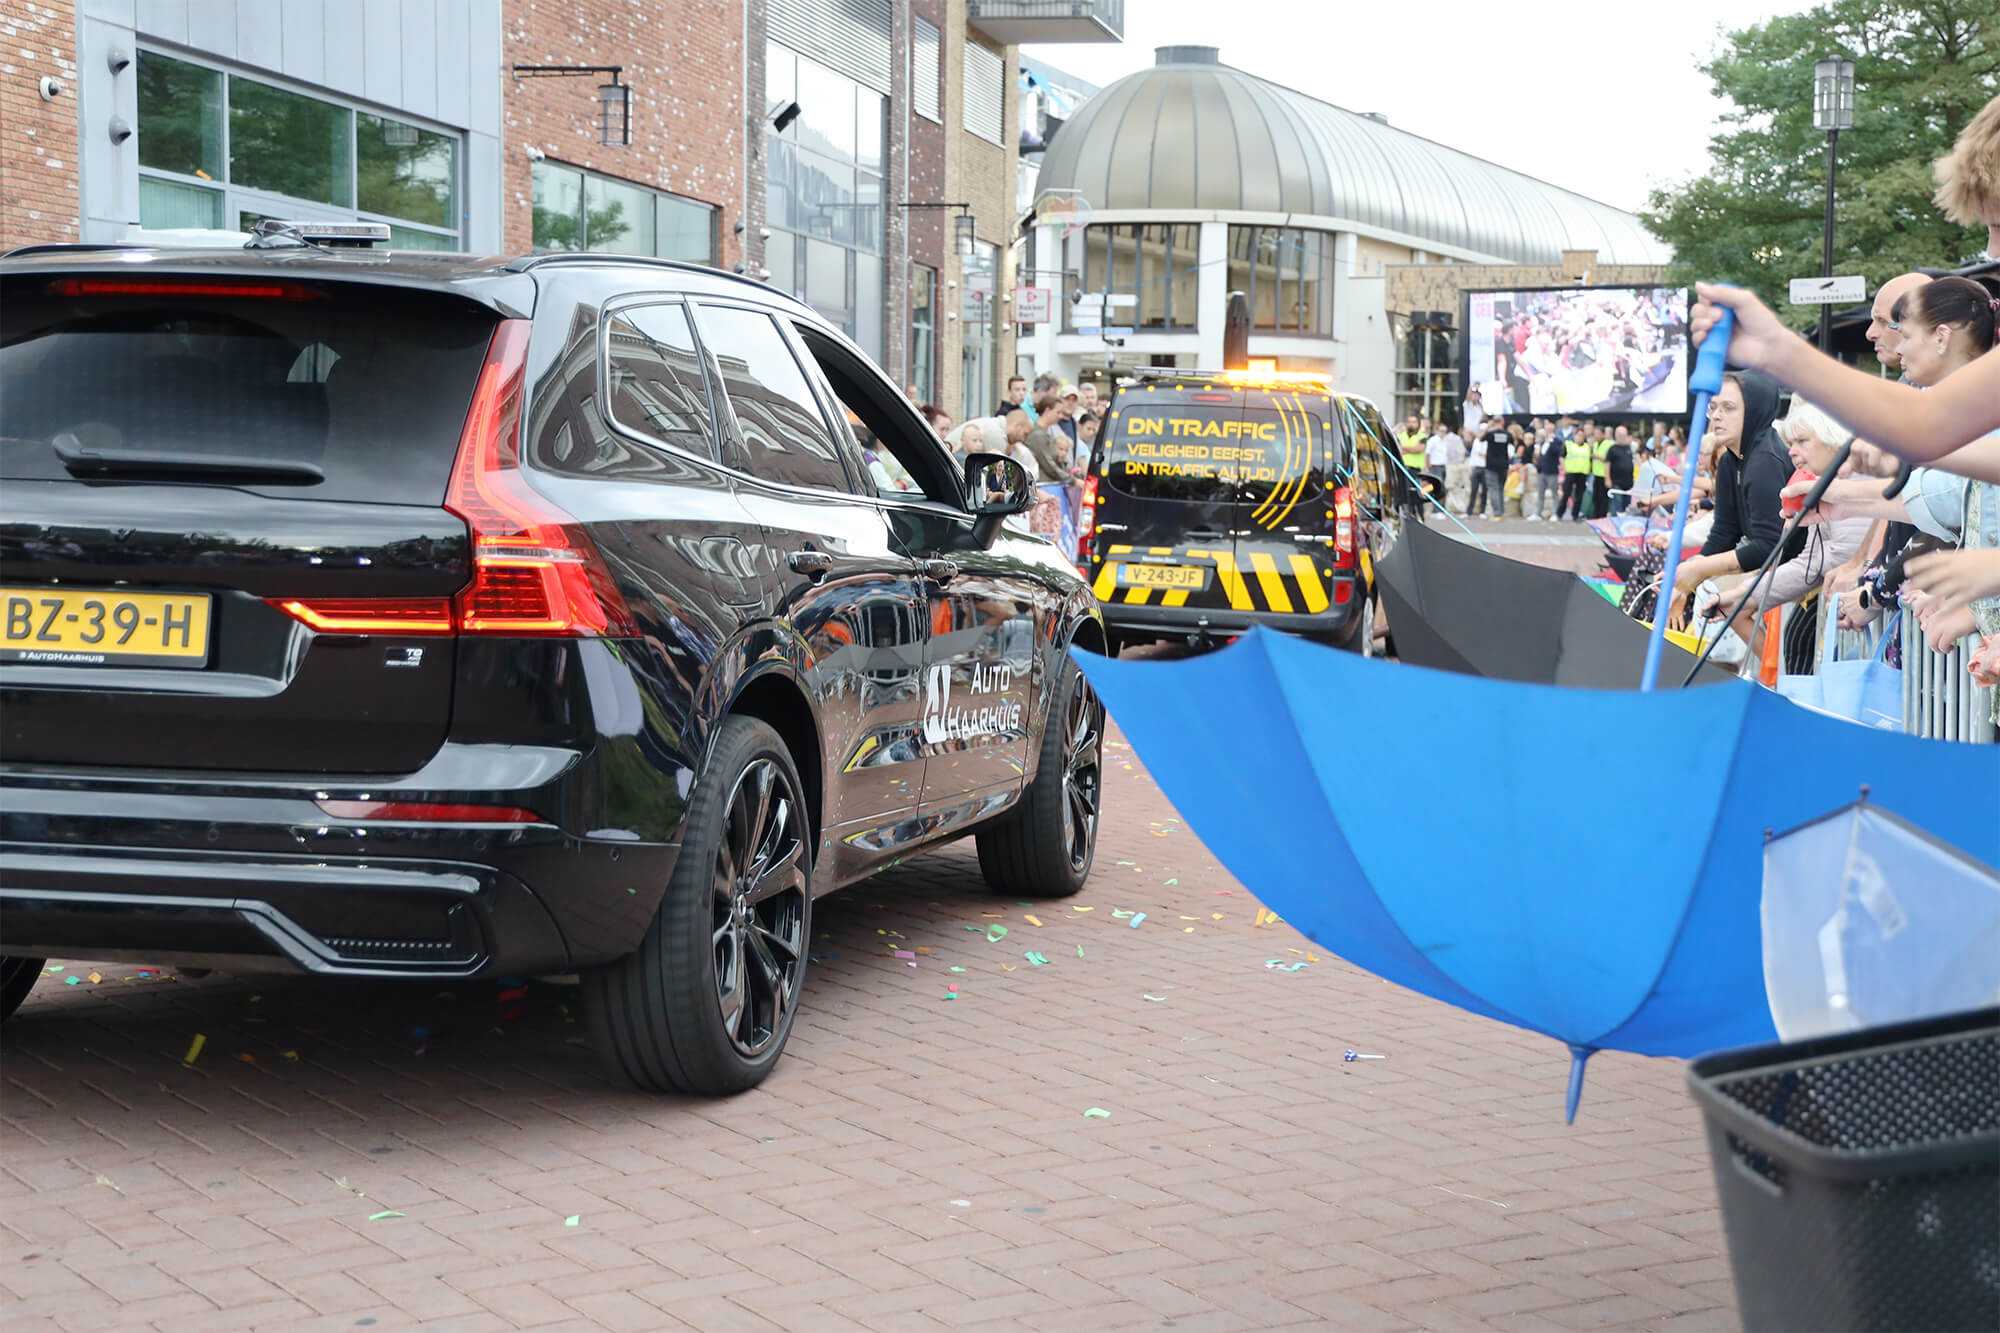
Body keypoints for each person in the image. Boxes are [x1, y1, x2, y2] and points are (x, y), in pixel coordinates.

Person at [1704, 399, 1872, 641]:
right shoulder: (1824, 483)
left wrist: (1745, 594)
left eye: (1802, 441)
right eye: (1791, 443)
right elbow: (1811, 562)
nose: (1792, 451)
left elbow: (1838, 555)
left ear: (1831, 437)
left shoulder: (1855, 480)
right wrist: (1742, 595)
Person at [1666, 371, 1790, 631]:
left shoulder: (1765, 462)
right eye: (1713, 407)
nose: (1716, 416)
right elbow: (1724, 532)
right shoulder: (1729, 461)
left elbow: (1769, 545)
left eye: (1728, 408)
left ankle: (1771, 662)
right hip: (1771, 571)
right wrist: (1687, 577)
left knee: (1721, 603)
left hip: (1793, 573)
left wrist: (1700, 569)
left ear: (1754, 410)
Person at [1020, 393, 1069, 482]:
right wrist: (1073, 481)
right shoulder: (1037, 435)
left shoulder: (1044, 433)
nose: (1060, 416)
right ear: (1047, 410)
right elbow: (1049, 466)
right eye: (1058, 412)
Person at [1471, 416, 1510, 520]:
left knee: (1493, 489)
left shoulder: (1490, 434)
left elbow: (1480, 438)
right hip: (1504, 465)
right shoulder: (1507, 434)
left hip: (1491, 465)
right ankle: (1501, 511)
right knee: (1501, 489)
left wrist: (1488, 427)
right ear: (1502, 422)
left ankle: (1497, 513)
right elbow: (1512, 442)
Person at [1559, 423, 1592, 520]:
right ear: (1574, 436)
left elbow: (1589, 459)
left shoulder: (1587, 447)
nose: (1580, 438)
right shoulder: (1568, 445)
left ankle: (1575, 514)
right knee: (1566, 494)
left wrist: (1588, 469)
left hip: (1582, 473)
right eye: (1578, 435)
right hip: (1570, 472)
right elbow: (1562, 457)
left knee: (1579, 496)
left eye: (1582, 436)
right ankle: (1559, 513)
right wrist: (1564, 468)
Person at [1532, 419, 1563, 521]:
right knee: (1540, 494)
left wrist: (1551, 440)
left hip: (1552, 471)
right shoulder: (1542, 441)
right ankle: (1538, 513)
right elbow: (1540, 455)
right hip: (1541, 470)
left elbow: (1557, 451)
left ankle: (1555, 513)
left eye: (1550, 427)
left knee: (1554, 493)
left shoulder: (1557, 441)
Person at [1425, 419, 1457, 507]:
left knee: (1441, 487)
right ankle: (1435, 507)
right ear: (1437, 431)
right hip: (1435, 466)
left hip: (1443, 466)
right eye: (1441, 431)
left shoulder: (1444, 441)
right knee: (1437, 487)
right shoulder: (1433, 440)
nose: (1443, 433)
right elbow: (1428, 453)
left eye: (1445, 431)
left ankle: (1439, 506)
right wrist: (1428, 465)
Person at [1606, 425, 1636, 516]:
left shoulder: (1629, 448)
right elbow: (1607, 464)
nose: (1622, 437)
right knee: (1617, 506)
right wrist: (1607, 479)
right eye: (1620, 435)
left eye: (1624, 435)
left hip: (1628, 483)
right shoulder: (1612, 449)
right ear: (1616, 435)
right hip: (1616, 482)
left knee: (1626, 507)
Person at [1589, 424, 1614, 519]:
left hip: (1604, 475)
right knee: (1596, 497)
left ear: (1603, 434)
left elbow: (1609, 459)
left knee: (1603, 498)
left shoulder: (1608, 444)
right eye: (1595, 434)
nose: (1596, 436)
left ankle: (1602, 516)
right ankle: (1596, 515)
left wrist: (1597, 457)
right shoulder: (1595, 444)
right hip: (1596, 474)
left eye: (1598, 434)